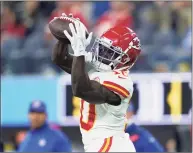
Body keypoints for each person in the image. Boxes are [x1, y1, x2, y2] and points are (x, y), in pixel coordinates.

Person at [52, 13, 141, 152]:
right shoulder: (98, 63)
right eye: (102, 47)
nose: (102, 54)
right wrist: (68, 37)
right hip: (100, 144)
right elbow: (60, 59)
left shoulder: (122, 82)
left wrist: (79, 51)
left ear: (125, 60)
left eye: (110, 52)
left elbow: (81, 89)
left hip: (112, 145)